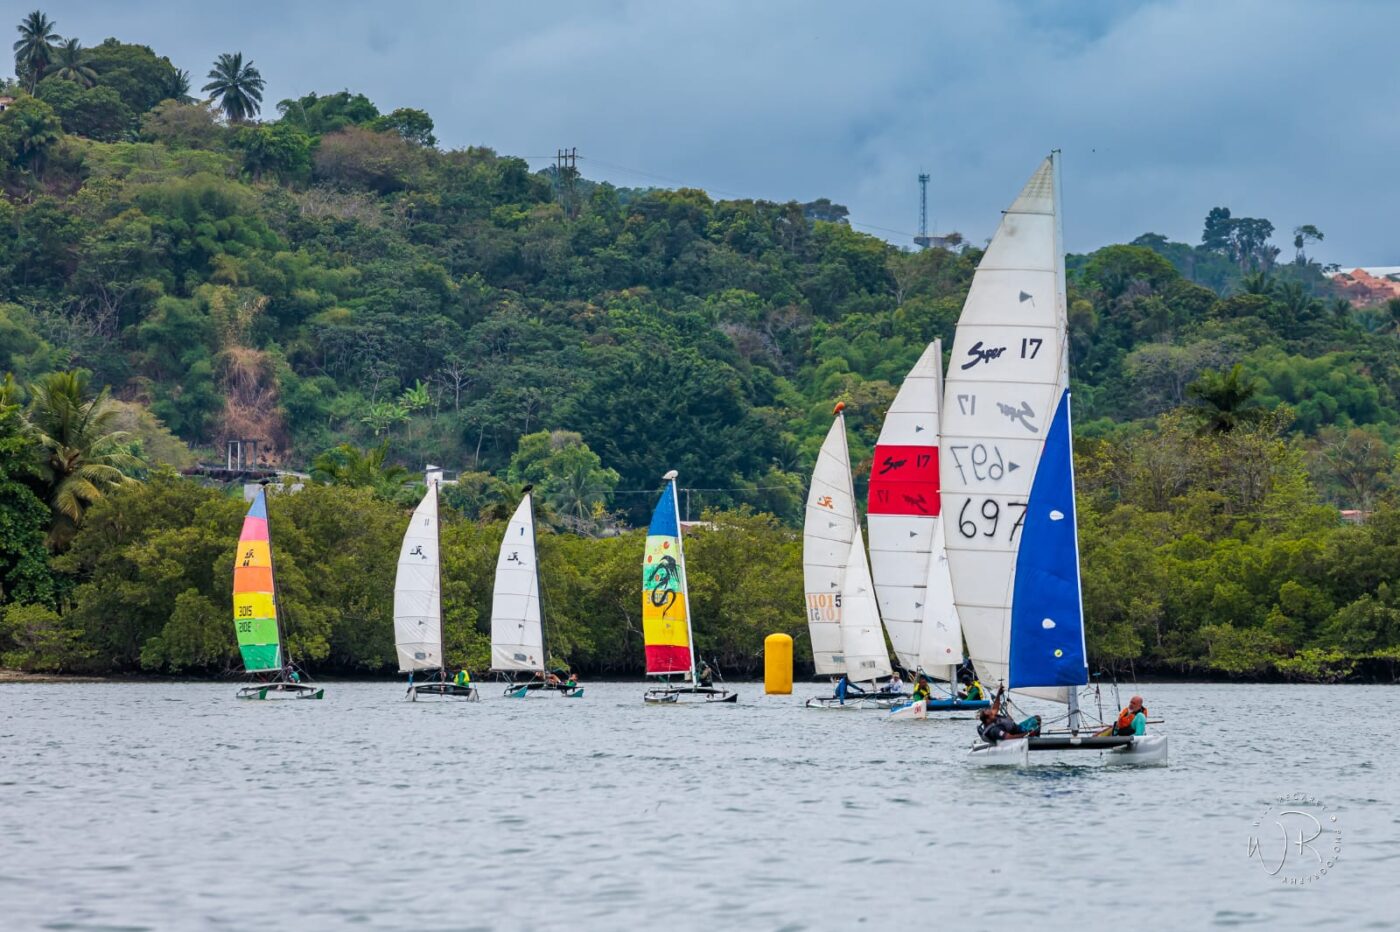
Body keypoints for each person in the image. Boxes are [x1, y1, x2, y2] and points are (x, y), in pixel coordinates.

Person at [976, 689, 1041, 744]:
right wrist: (1026, 734)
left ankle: (1035, 736)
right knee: (1037, 720)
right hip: (1020, 731)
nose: (994, 713)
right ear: (987, 720)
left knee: (1036, 718)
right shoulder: (994, 730)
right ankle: (1035, 741)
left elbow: (995, 708)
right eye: (991, 714)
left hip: (1017, 727)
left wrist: (998, 694)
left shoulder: (990, 719)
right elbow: (1008, 738)